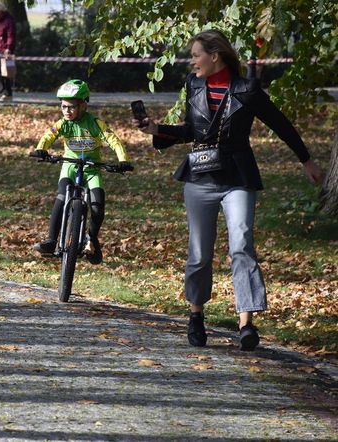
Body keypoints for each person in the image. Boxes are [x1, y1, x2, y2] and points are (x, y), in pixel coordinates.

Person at [135, 30, 324, 351]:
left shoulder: (247, 89)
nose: (192, 61)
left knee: (242, 245)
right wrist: (156, 130)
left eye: (196, 54)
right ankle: (196, 316)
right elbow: (191, 131)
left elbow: (280, 123)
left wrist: (306, 160)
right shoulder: (193, 85)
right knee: (199, 254)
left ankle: (246, 324)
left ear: (215, 56)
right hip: (200, 178)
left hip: (237, 177)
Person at [31, 79, 131, 265]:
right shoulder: (63, 123)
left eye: (71, 107)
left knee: (97, 207)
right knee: (61, 197)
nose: (67, 111)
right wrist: (41, 149)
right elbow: (49, 135)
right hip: (69, 166)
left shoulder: (95, 123)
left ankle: (92, 240)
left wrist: (123, 160)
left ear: (84, 105)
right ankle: (52, 241)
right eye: (63, 107)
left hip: (92, 169)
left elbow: (114, 141)